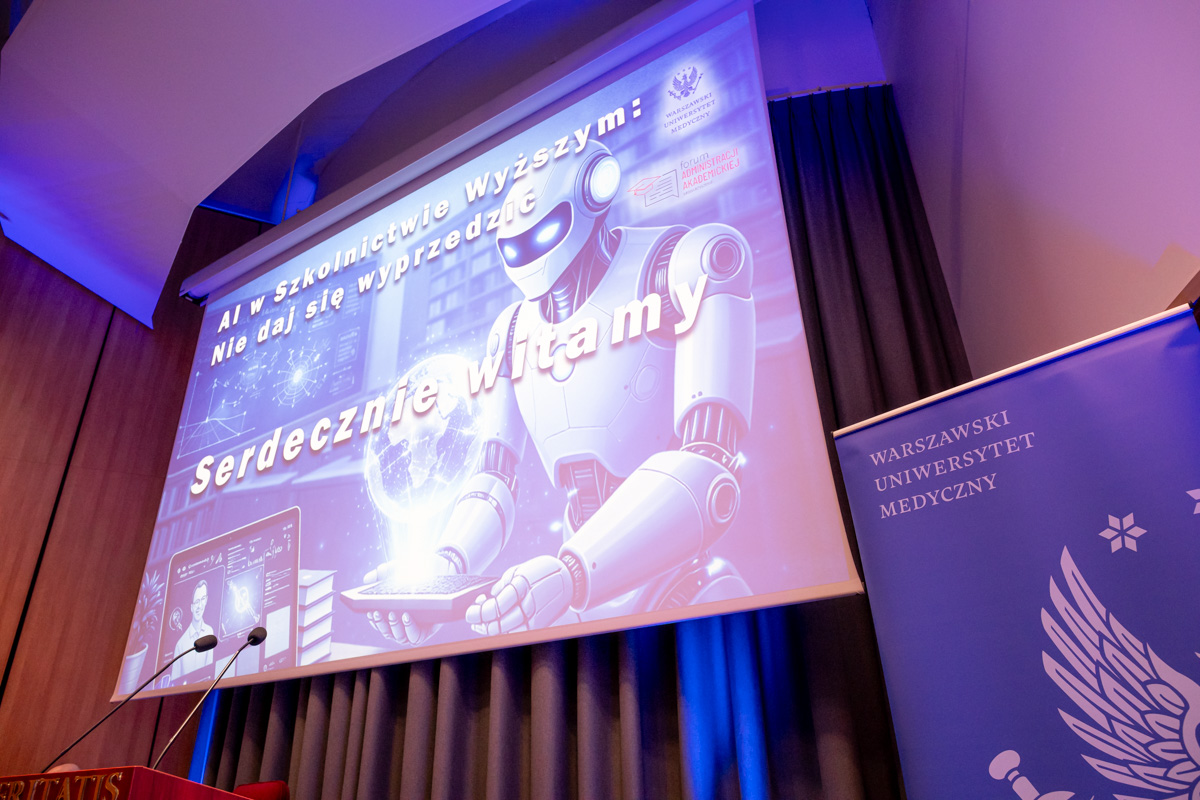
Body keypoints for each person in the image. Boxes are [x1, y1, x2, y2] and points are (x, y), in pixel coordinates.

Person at [365, 139, 755, 644]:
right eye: (518, 247)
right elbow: (495, 476)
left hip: (682, 584)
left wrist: (571, 572)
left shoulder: (678, 264)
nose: (531, 257)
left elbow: (709, 461)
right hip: (568, 595)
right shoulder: (510, 331)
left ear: (594, 197)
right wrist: (441, 571)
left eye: (544, 235)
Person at [172, 580, 214, 679]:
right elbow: (174, 681)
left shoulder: (210, 632)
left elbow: (210, 671)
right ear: (191, 607)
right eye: (196, 602)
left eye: (202, 599)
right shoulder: (180, 645)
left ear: (206, 600)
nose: (199, 606)